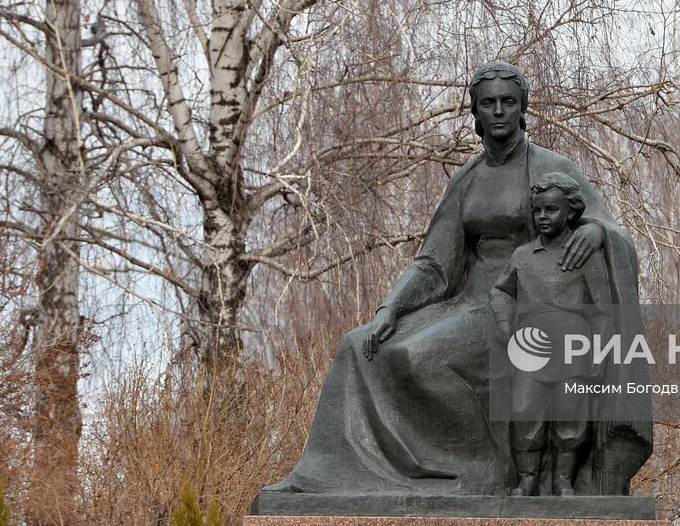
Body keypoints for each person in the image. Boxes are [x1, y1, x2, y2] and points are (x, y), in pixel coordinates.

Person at [262, 61, 650, 496]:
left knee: (415, 358)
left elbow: (609, 226)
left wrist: (596, 231)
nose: (499, 111)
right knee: (359, 346)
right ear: (475, 113)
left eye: (508, 102)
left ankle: (477, 474)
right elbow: (434, 263)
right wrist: (392, 306)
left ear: (523, 109)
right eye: (489, 104)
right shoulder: (466, 179)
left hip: (524, 304)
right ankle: (332, 477)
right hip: (468, 300)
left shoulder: (551, 167)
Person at [491, 171, 615, 498]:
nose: (543, 217)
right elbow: (501, 292)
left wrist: (600, 353)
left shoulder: (585, 256)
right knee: (524, 411)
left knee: (570, 414)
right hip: (530, 348)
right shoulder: (521, 256)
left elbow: (602, 310)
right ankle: (527, 479)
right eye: (537, 211)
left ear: (571, 212)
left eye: (551, 210)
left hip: (573, 347)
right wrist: (505, 327)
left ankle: (563, 481)